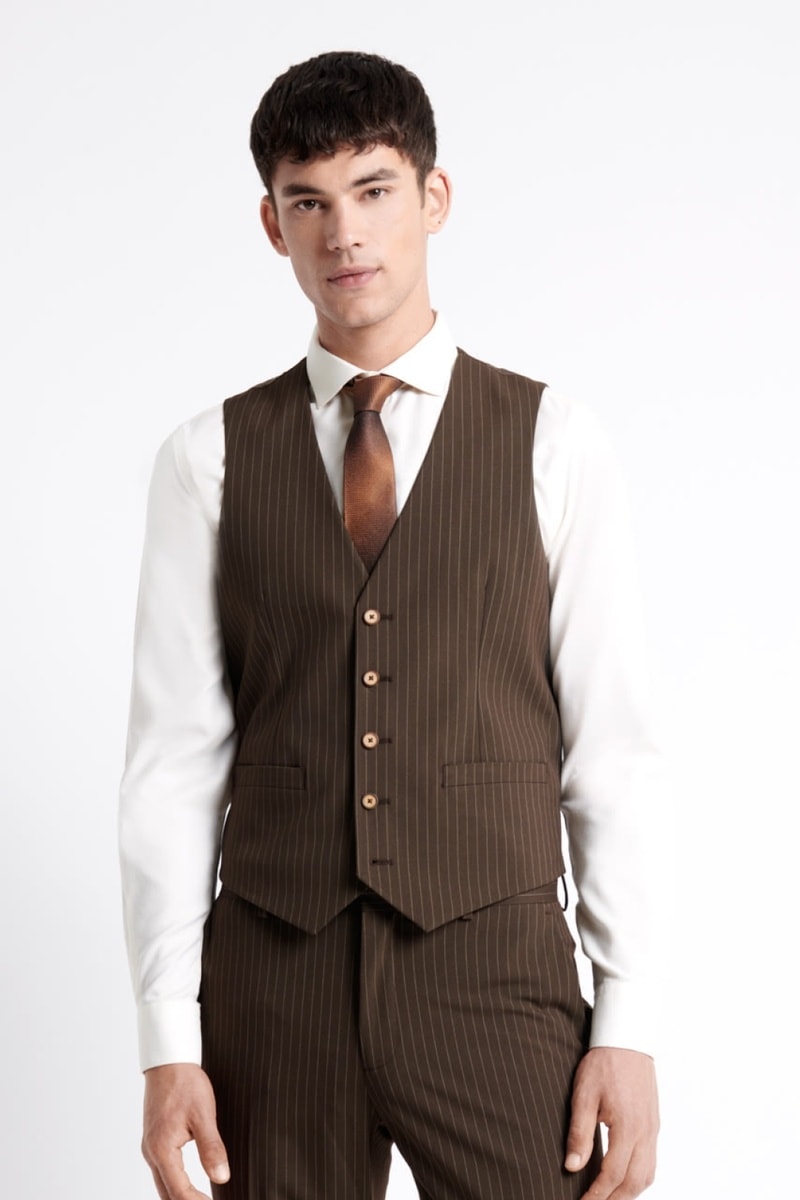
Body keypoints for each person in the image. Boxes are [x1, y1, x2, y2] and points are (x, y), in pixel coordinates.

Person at [120, 50, 664, 1200]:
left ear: (432, 196)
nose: (344, 233)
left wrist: (628, 1019)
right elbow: (173, 763)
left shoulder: (551, 442)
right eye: (307, 202)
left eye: (371, 190)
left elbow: (610, 750)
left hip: (492, 971)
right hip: (273, 981)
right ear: (271, 224)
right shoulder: (207, 461)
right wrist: (169, 1039)